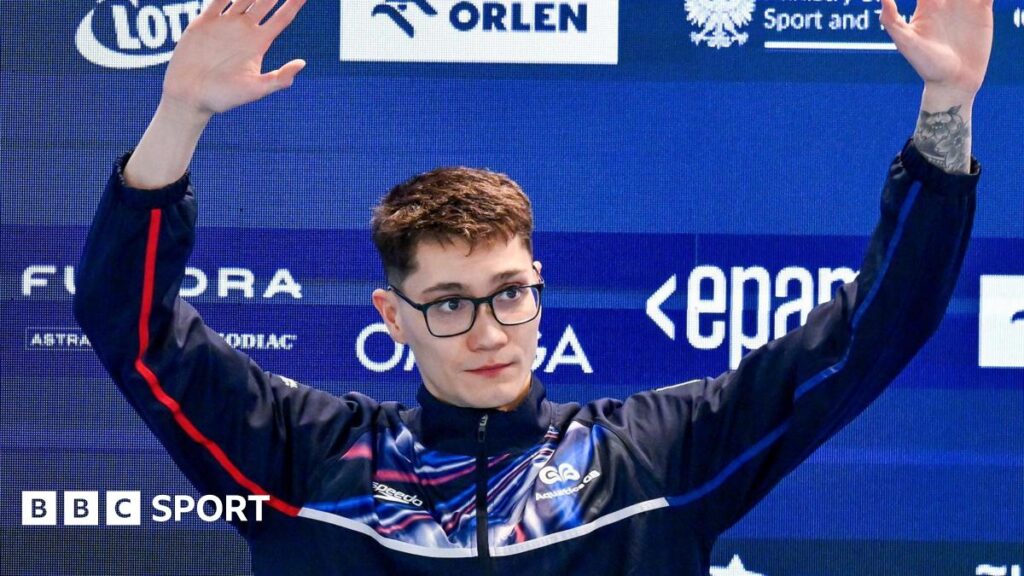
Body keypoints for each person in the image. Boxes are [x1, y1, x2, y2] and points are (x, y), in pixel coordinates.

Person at [73, 0, 991, 573]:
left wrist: (945, 113)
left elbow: (868, 336)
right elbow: (129, 327)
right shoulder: (299, 459)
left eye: (510, 293)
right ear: (392, 316)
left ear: (540, 287)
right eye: (450, 303)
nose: (489, 331)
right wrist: (180, 114)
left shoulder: (654, 458)